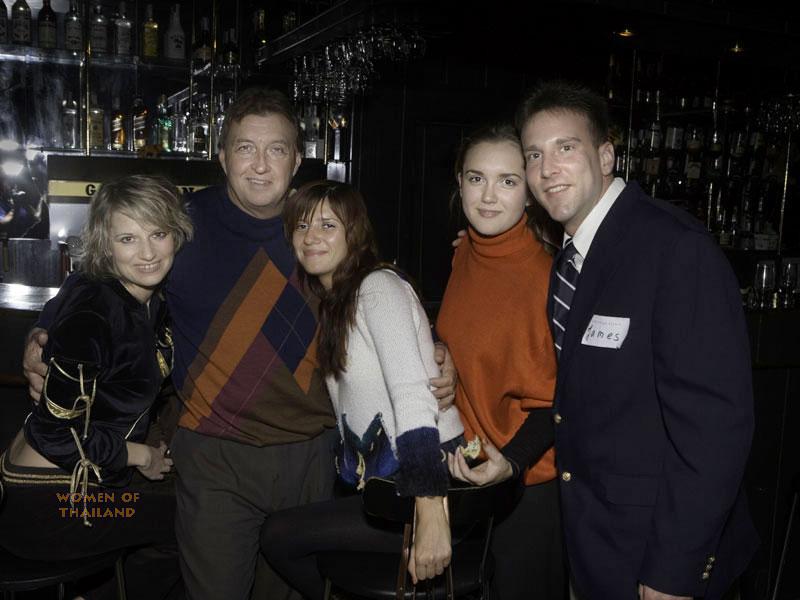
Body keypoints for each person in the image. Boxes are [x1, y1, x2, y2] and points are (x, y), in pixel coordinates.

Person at [23, 87, 457, 600]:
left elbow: (378, 291)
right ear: (222, 156)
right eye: (245, 148)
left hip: (312, 455)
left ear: (297, 159)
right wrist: (42, 330)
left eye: (276, 149)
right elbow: (97, 277)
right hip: (213, 455)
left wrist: (434, 346)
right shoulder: (182, 224)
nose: (260, 165)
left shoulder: (320, 228)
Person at [449, 80, 759, 600]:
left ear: (607, 156)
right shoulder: (573, 256)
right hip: (593, 542)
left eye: (565, 148)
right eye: (534, 155)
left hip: (658, 555)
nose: (548, 169)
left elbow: (716, 429)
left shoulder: (674, 249)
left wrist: (674, 569)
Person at [259, 180, 464, 599]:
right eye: (301, 226)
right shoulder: (337, 299)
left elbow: (411, 394)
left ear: (354, 233)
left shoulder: (377, 287)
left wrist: (430, 509)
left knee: (279, 535)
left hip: (425, 480)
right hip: (386, 487)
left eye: (327, 225)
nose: (311, 237)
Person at [0, 175, 192, 599]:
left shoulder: (140, 297)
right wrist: (140, 455)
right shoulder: (95, 313)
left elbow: (61, 303)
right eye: (128, 239)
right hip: (50, 502)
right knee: (194, 524)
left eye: (158, 234)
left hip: (78, 478)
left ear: (176, 234)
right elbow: (55, 434)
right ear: (106, 244)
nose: (147, 253)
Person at [436, 123, 565, 600]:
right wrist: (445, 355)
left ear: (530, 191)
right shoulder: (466, 252)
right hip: (469, 470)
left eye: (508, 181)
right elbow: (470, 336)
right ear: (460, 182)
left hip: (528, 484)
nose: (488, 196)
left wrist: (511, 463)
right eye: (477, 178)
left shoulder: (547, 280)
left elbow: (559, 400)